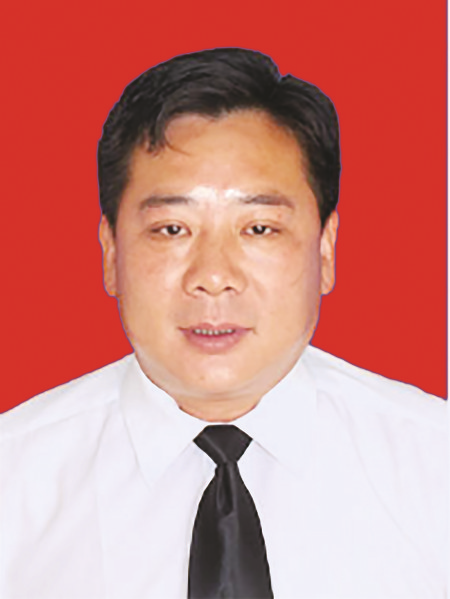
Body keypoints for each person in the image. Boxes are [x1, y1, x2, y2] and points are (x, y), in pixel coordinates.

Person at [0, 48, 447, 599]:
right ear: (111, 252)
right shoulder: (12, 482)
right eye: (172, 229)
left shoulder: (435, 466)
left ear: (326, 249)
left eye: (258, 228)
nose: (213, 277)